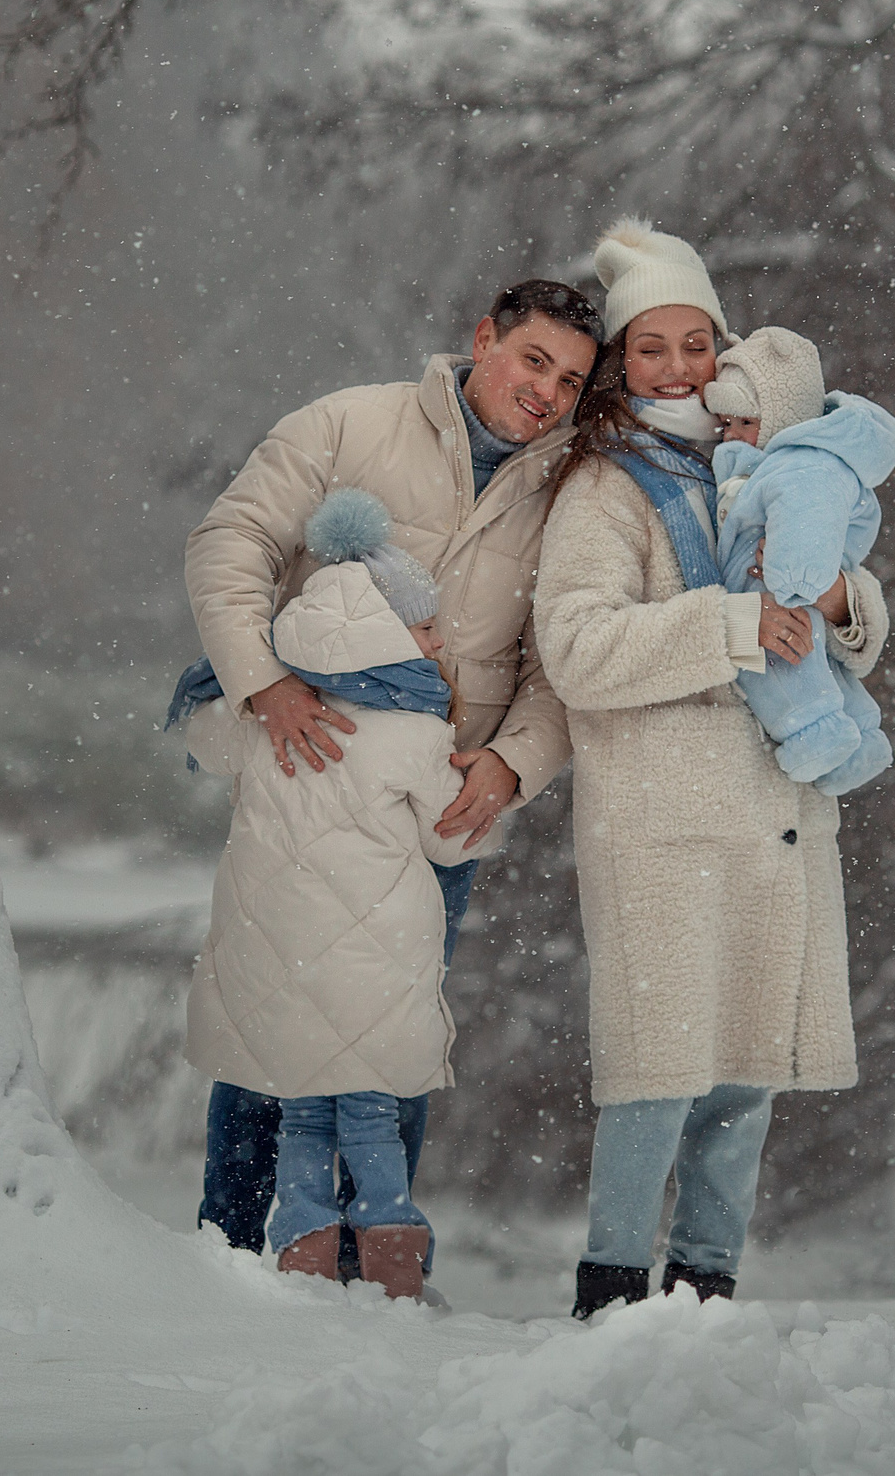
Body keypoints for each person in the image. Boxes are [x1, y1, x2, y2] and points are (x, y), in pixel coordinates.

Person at [181, 281, 601, 1255]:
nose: (546, 393)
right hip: (310, 786)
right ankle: (230, 1254)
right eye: (534, 360)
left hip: (439, 803)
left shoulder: (571, 491)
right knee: (270, 1014)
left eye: (572, 381)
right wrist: (262, 684)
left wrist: (513, 764)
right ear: (484, 340)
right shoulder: (350, 425)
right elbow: (230, 543)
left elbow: (560, 660)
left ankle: (367, 1267)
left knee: (395, 1034)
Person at [532, 220, 892, 1319]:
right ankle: (611, 1293)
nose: (679, 368)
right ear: (620, 362)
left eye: (698, 344)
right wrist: (732, 626)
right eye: (652, 348)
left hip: (773, 811)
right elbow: (577, 648)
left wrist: (839, 599)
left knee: (746, 1074)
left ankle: (707, 1289)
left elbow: (847, 615)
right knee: (659, 1073)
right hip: (663, 821)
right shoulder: (606, 485)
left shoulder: (772, 458)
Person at [179, 491, 495, 1298]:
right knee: (370, 1109)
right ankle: (388, 1241)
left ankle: (302, 1238)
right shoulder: (416, 733)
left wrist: (243, 682)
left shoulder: (265, 718)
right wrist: (485, 805)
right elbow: (451, 838)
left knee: (300, 1106)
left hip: (276, 955)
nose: (437, 641)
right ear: (383, 636)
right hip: (374, 965)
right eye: (424, 628)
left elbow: (202, 738)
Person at [705, 325, 895, 796]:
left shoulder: (800, 464)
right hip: (774, 597)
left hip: (781, 589)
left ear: (782, 418)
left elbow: (806, 508)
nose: (732, 436)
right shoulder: (773, 465)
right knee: (815, 665)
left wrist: (804, 578)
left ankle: (816, 734)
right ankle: (860, 736)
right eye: (725, 424)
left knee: (788, 668)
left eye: (745, 422)